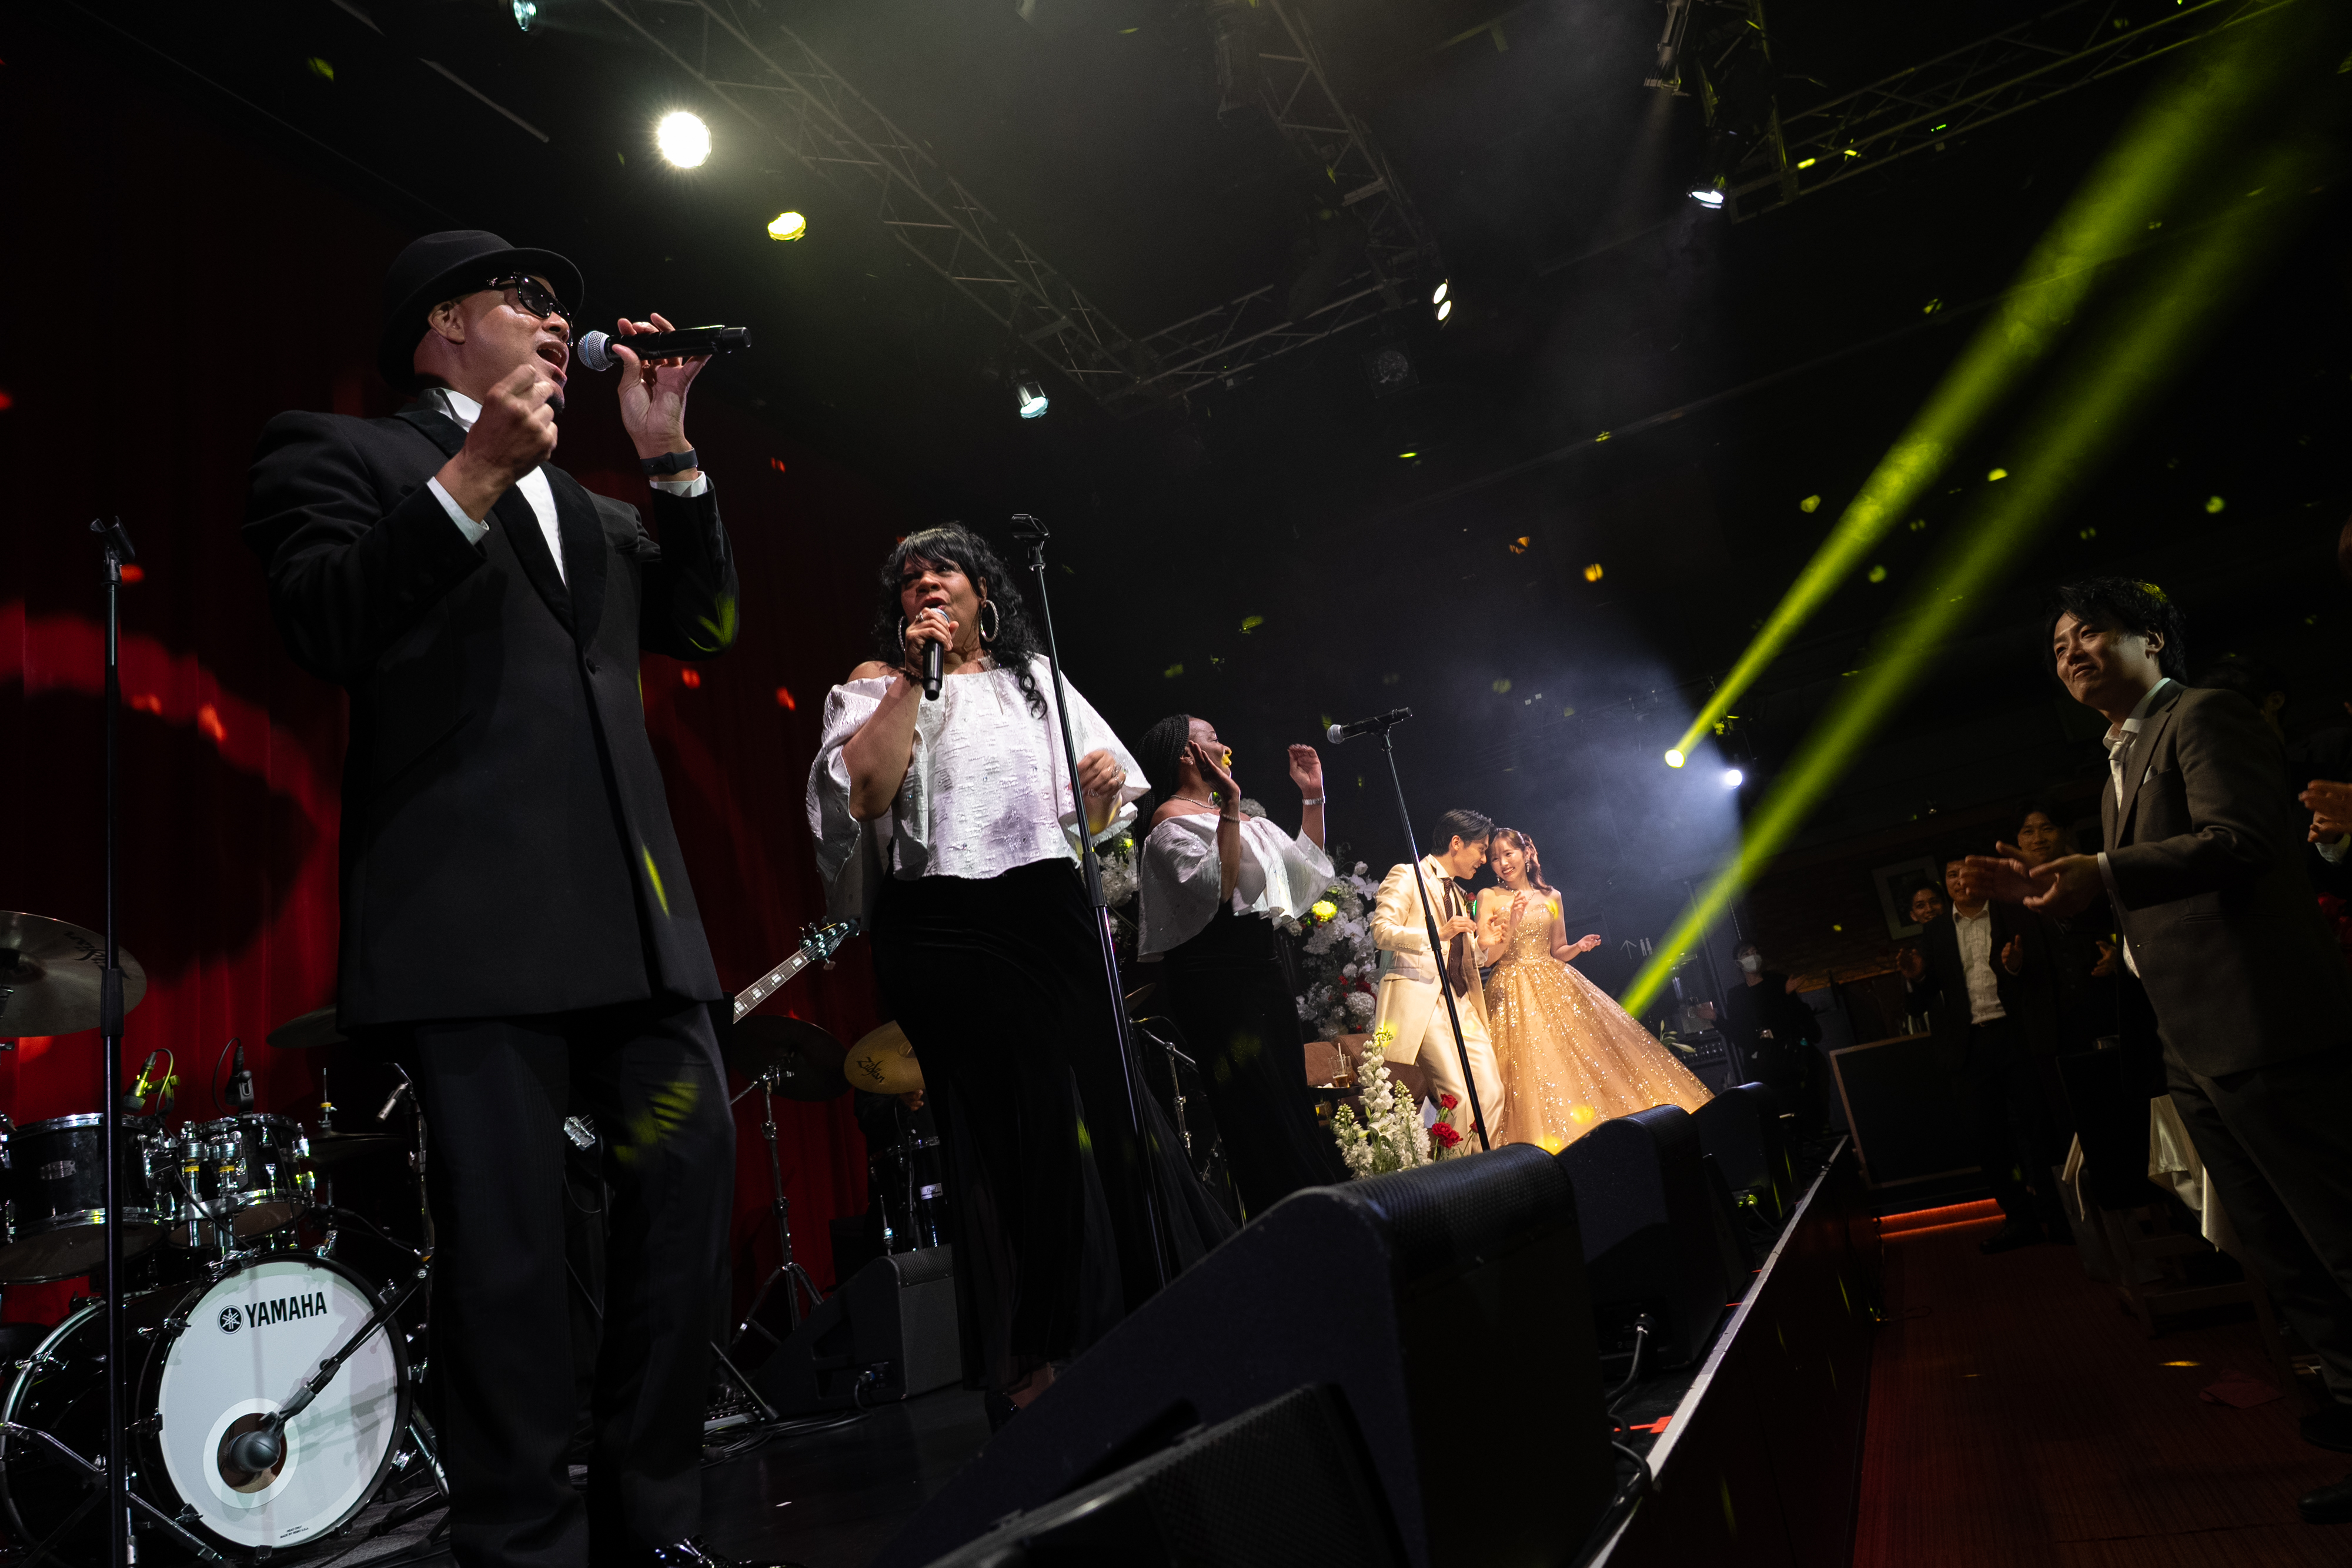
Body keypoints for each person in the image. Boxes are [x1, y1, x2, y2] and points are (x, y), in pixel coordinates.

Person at [244, 231, 751, 1568]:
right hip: (472, 929)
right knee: (510, 1258)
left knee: (686, 1201)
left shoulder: (588, 502)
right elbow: (323, 620)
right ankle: (523, 1547)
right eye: (525, 297)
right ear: (440, 325)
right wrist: (471, 473)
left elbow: (707, 628)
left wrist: (669, 457)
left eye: (561, 305)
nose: (556, 320)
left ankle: (653, 1530)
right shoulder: (339, 453)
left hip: (637, 924)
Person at [807, 525, 1230, 1418]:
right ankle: (1033, 1359)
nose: (926, 585)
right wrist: (911, 682)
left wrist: (1102, 796)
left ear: (982, 592)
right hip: (941, 922)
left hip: (1044, 904)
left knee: (1102, 1104)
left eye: (944, 571)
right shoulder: (875, 683)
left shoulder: (1036, 679)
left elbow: (1091, 820)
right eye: (909, 579)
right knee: (998, 1129)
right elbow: (867, 796)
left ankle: (1150, 1318)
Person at [1960, 578, 2352, 1526]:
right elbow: (2147, 896)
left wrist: (2101, 870)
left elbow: (2244, 841)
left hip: (2263, 1023)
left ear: (2154, 639)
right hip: (2192, 1037)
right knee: (2279, 1249)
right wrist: (2054, 890)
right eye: (2058, 643)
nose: (2071, 651)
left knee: (2337, 1235)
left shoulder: (2203, 715)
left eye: (2090, 631)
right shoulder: (2116, 762)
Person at [1132, 716, 1348, 1216]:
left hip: (1263, 971)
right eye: (1212, 738)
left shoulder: (1237, 816)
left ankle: (1322, 1216)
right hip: (1217, 981)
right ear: (1188, 753)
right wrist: (1230, 804)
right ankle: (1289, 1226)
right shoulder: (1168, 820)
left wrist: (1312, 798)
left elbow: (1302, 874)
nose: (1225, 745)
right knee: (1258, 1112)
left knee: (1290, 1098)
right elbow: (1218, 887)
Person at [1475, 830, 1710, 1149]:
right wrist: (1513, 921)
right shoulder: (1488, 897)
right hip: (1510, 989)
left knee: (1581, 1061)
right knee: (1524, 1071)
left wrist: (1578, 947)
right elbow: (1488, 958)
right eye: (1494, 858)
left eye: (1508, 854)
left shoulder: (1552, 897)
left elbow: (1557, 950)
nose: (1503, 863)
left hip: (1552, 984)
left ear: (1526, 853)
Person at [1897, 858, 2075, 1252]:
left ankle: (2058, 1215)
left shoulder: (2013, 914)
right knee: (1988, 1138)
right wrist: (1917, 977)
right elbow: (1921, 1001)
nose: (1959, 880)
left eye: (1966, 872)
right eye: (1951, 875)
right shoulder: (1937, 930)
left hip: (2016, 1035)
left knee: (2040, 1129)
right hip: (1969, 1046)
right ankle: (2020, 1219)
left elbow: (2044, 972)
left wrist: (2016, 967)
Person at [1371, 810, 1504, 1146]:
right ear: (1457, 843)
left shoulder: (1458, 895)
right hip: (1424, 999)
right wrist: (1437, 934)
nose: (1484, 860)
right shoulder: (1408, 875)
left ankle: (1481, 1166)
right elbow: (1381, 932)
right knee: (1455, 1095)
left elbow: (1461, 956)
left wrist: (1484, 943)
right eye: (1481, 850)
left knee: (1491, 1092)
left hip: (1461, 1002)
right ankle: (1457, 1174)